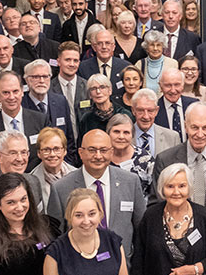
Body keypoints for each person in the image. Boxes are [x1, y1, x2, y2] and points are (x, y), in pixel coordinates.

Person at [47, 129, 146, 262]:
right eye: (92, 150)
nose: (98, 156)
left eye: (103, 150)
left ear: (111, 152)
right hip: (80, 269)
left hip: (123, 266)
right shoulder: (61, 188)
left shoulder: (130, 182)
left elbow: (141, 229)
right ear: (81, 153)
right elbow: (55, 237)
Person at [153, 101, 206, 209]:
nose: (200, 134)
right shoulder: (165, 160)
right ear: (185, 127)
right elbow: (157, 202)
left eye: (205, 128)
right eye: (194, 127)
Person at [0, 71, 46, 181]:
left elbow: (45, 157)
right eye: (6, 92)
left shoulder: (41, 121)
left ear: (22, 92)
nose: (11, 97)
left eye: (15, 91)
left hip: (37, 184)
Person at [22, 59, 77, 161]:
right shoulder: (21, 105)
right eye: (36, 77)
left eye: (45, 76)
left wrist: (69, 165)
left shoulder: (60, 101)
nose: (41, 81)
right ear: (27, 80)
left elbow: (69, 140)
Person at [131, 87, 180, 195]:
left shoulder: (172, 137)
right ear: (133, 110)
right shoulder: (125, 137)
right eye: (140, 110)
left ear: (157, 110)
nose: (146, 116)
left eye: (150, 110)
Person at [29, 126, 75, 207]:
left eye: (56, 149)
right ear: (39, 153)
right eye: (46, 150)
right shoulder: (31, 181)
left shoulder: (76, 175)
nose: (52, 154)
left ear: (65, 151)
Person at [79, 29, 131, 98]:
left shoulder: (125, 67)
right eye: (100, 43)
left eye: (107, 43)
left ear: (113, 47)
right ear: (94, 47)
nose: (104, 47)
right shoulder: (83, 68)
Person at [50, 41, 87, 135]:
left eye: (75, 61)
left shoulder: (88, 87)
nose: (72, 64)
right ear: (58, 62)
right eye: (67, 60)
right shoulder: (49, 88)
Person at [154, 68, 197, 141]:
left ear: (183, 85)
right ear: (161, 87)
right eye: (168, 85)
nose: (173, 90)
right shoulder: (153, 109)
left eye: (177, 85)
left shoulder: (194, 106)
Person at [137, 30, 178, 95]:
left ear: (163, 46)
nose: (155, 48)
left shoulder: (173, 64)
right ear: (147, 47)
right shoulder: (139, 64)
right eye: (152, 45)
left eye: (158, 45)